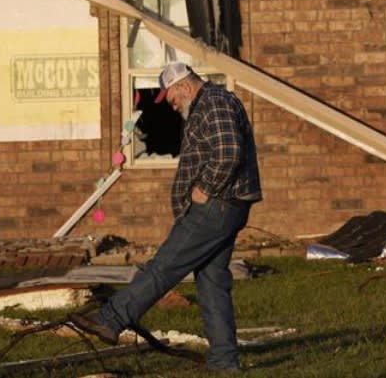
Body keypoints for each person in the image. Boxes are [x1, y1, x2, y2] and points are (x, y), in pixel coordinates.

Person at [69, 61, 262, 371]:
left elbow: (228, 151)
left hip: (216, 206)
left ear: (184, 86)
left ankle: (110, 319)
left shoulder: (213, 102)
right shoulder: (211, 103)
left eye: (171, 98)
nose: (172, 106)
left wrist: (205, 188)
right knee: (212, 283)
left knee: (163, 268)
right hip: (226, 206)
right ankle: (224, 361)